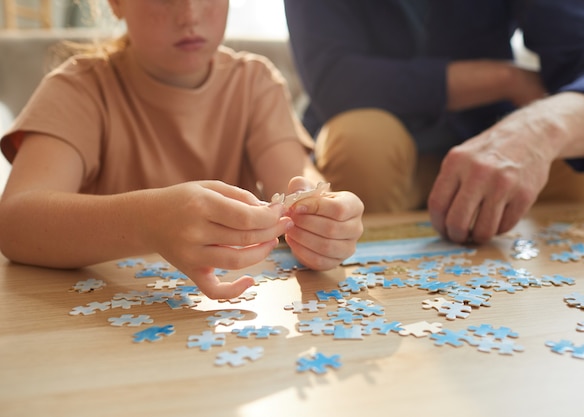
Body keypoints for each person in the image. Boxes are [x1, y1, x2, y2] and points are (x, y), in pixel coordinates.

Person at [0, 0, 364, 300]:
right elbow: (14, 222)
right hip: (97, 323)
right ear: (115, 4)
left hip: (223, 324)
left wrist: (326, 221)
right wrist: (148, 219)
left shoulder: (255, 82)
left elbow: (300, 184)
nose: (189, 14)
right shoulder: (78, 89)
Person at [284, 0, 584, 244]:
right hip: (375, 159)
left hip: (485, 139)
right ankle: (356, 284)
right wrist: (505, 79)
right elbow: (337, 83)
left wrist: (541, 129)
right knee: (363, 139)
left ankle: (554, 308)